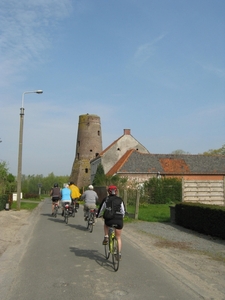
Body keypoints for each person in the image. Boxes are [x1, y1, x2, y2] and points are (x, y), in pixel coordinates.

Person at [97, 185, 125, 259]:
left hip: (109, 220)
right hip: (119, 220)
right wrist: (122, 217)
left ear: (108, 192)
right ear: (116, 192)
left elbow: (101, 209)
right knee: (118, 237)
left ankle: (106, 236)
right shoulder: (120, 200)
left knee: (106, 224)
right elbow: (123, 211)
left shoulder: (106, 199)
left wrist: (98, 215)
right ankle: (119, 254)